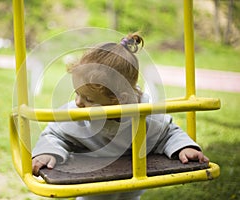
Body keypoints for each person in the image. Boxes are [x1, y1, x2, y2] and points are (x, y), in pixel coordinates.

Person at [32, 33, 209, 200]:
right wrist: (48, 152)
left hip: (133, 175)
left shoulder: (145, 114)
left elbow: (168, 132)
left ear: (118, 99)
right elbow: (54, 134)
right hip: (92, 177)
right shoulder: (76, 115)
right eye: (77, 93)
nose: (78, 102)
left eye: (88, 98)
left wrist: (183, 147)